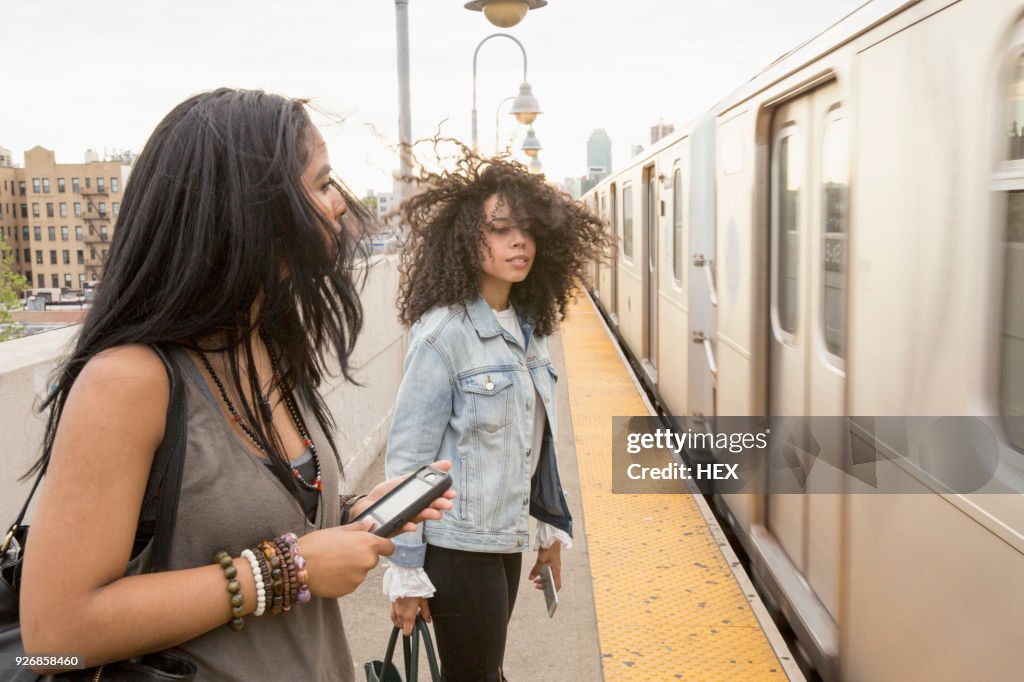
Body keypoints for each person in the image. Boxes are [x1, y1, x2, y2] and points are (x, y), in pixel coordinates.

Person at [18, 88, 454, 681]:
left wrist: (350, 516)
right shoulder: (128, 382)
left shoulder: (264, 344)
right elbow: (53, 634)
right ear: (250, 207)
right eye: (323, 185)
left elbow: (236, 522)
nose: (340, 208)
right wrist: (289, 570)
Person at [384, 155, 609, 681]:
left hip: (502, 541)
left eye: (527, 231)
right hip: (458, 549)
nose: (519, 242)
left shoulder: (530, 327)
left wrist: (548, 531)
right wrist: (406, 570)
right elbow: (409, 460)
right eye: (500, 229)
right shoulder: (443, 335)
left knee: (481, 672)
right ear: (467, 238)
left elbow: (532, 446)